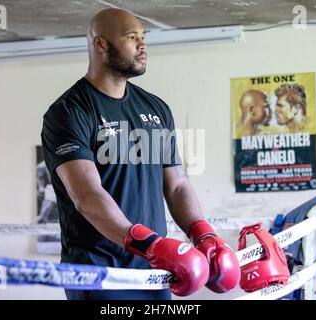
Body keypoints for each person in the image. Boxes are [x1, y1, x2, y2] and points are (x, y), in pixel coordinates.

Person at [41, 8, 240, 300]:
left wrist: (202, 233)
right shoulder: (69, 112)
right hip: (100, 273)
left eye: (143, 37)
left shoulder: (156, 109)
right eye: (131, 37)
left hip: (155, 270)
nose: (142, 45)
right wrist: (149, 244)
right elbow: (87, 196)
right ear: (100, 45)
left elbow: (176, 184)